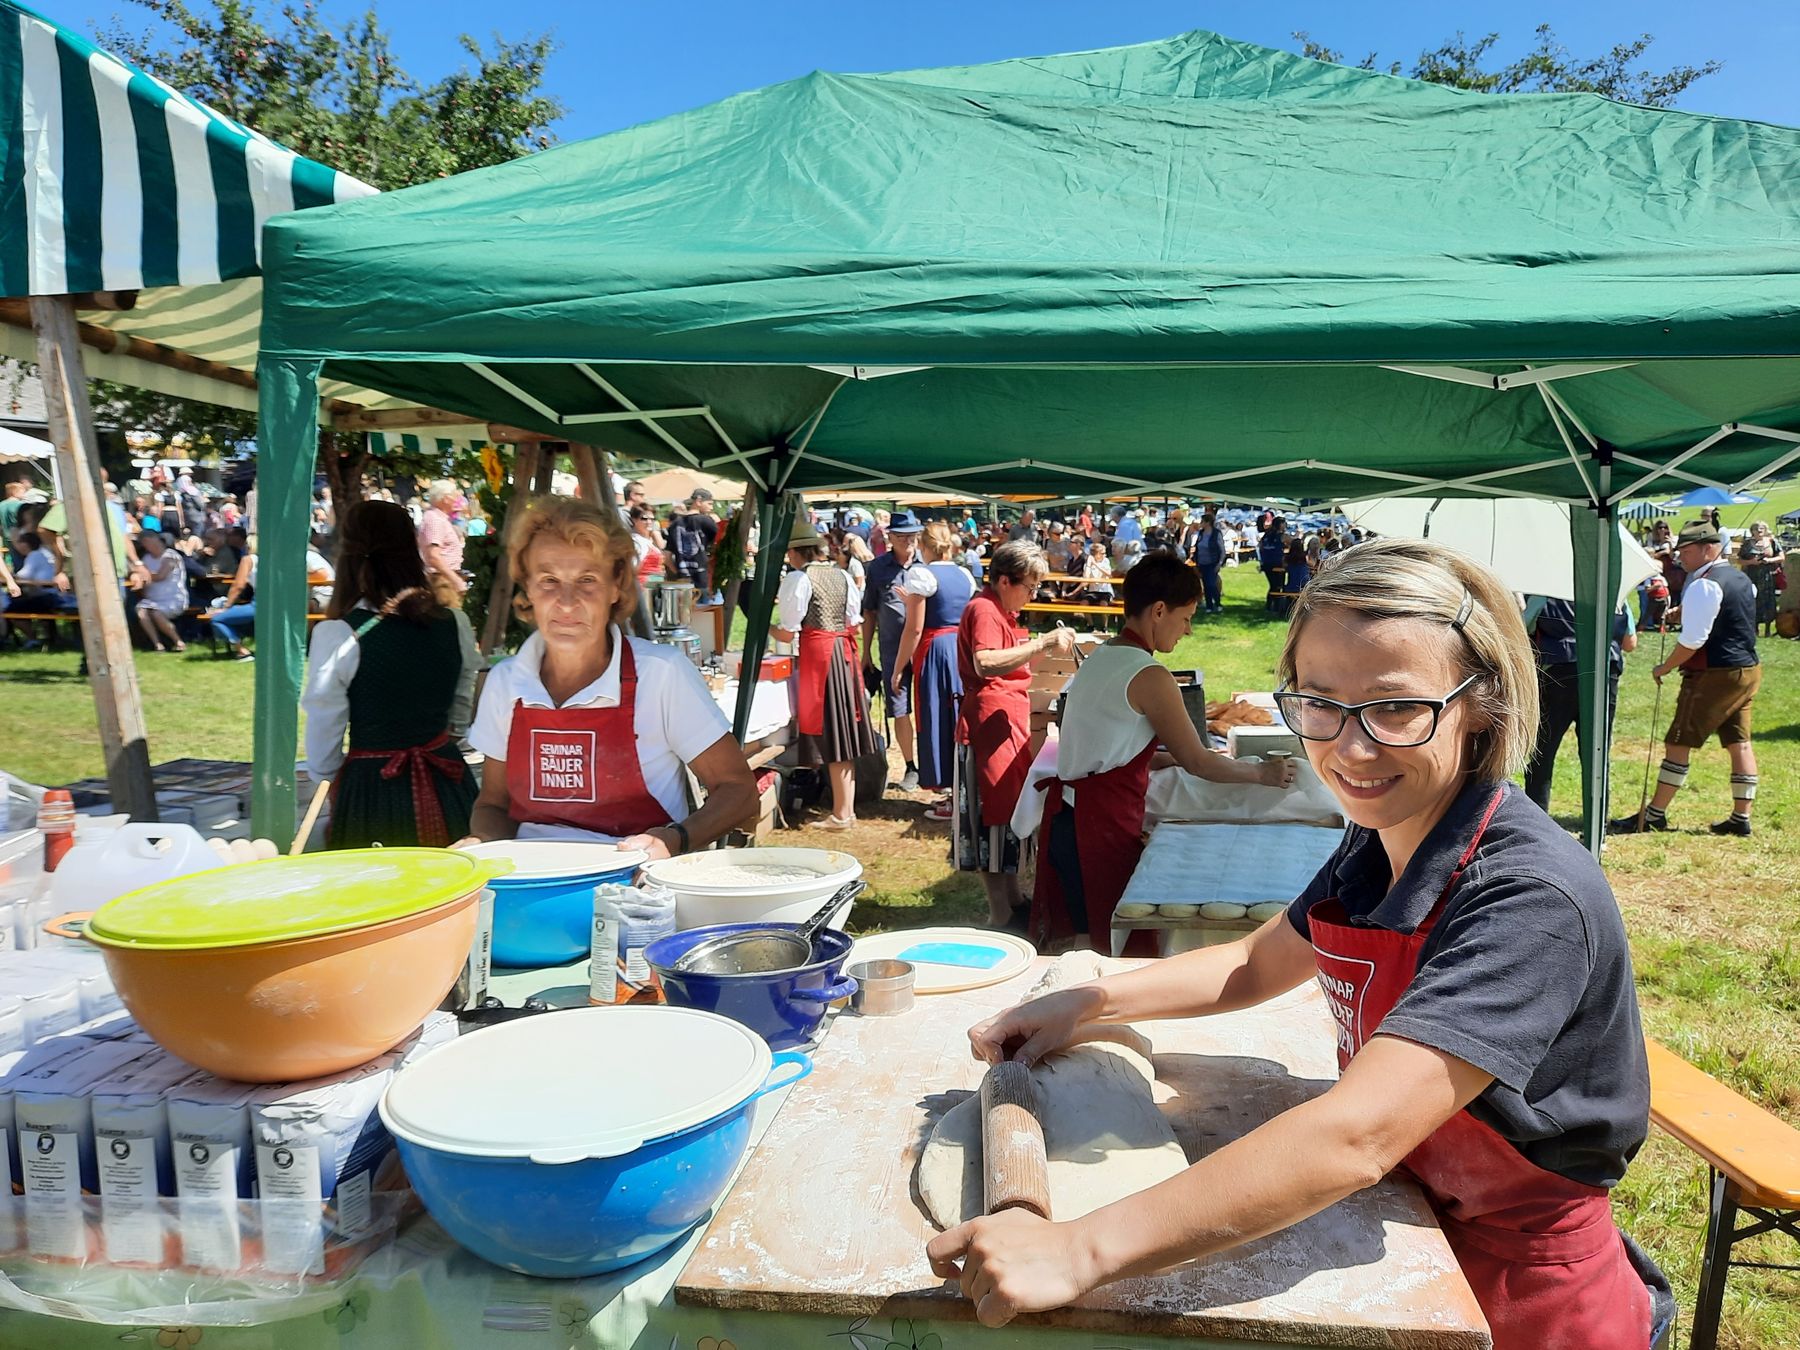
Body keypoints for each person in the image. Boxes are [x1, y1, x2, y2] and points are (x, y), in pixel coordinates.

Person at [930, 538, 1670, 1350]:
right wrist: (1091, 1001)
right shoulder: (1384, 840)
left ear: (1481, 703)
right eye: (1319, 703)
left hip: (1528, 1292)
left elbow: (1357, 1134)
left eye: (1396, 708)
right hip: (1420, 1218)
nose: (1350, 750)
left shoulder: (1526, 896)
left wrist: (1078, 1247)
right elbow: (1257, 962)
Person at [463, 495, 758, 853]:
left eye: (587, 580)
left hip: (636, 888)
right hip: (532, 886)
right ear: (528, 587)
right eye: (548, 580)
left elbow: (739, 792)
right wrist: (482, 845)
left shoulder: (660, 675)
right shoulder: (505, 682)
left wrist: (674, 839)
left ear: (616, 587)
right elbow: (493, 805)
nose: (567, 602)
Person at [1032, 554, 1295, 951]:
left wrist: (1158, 758)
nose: (1188, 630)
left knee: (1088, 943)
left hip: (1071, 819)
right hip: (1096, 828)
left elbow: (1106, 750)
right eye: (1186, 617)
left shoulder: (1102, 656)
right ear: (1159, 611)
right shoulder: (1148, 674)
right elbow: (1199, 761)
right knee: (1110, 950)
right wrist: (1263, 775)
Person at [304, 501, 481, 848]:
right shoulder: (453, 623)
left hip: (374, 790)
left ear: (349, 552)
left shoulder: (340, 635)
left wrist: (329, 780)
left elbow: (324, 729)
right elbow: (461, 705)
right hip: (447, 776)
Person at [1610, 520, 1762, 838]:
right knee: (1740, 743)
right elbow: (1728, 615)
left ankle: (1654, 815)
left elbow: (1693, 641)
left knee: (1677, 742)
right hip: (1747, 670)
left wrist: (1663, 667)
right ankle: (1741, 816)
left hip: (1714, 673)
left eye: (1688, 552)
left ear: (1709, 549)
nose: (1682, 558)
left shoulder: (1705, 584)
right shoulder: (1741, 580)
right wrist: (1685, 610)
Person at [955, 541, 1073, 927]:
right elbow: (985, 661)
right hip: (987, 727)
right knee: (993, 818)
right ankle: (1000, 912)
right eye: (1030, 586)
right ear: (1005, 580)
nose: (1032, 594)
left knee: (1006, 815)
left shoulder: (1000, 610)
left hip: (1002, 722)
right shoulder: (984, 609)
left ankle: (1014, 898)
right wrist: (1041, 643)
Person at [774, 517, 881, 829]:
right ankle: (843, 808)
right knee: (839, 729)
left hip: (821, 656)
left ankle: (842, 811)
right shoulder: (843, 576)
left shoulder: (798, 578)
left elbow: (788, 630)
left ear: (795, 553)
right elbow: (853, 621)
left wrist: (762, 627)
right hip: (841, 653)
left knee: (830, 729)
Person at [892, 521, 976, 821]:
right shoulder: (964, 574)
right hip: (960, 648)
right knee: (958, 717)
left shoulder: (921, 574)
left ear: (925, 546)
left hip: (935, 650)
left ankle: (949, 792)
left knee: (937, 717)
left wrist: (899, 666)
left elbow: (914, 629)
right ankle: (962, 791)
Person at [1521, 596, 1635, 814]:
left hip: (1559, 671)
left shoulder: (1546, 588)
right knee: (1597, 752)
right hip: (1604, 672)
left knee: (1543, 751)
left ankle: (1536, 814)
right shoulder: (1613, 588)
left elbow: (1523, 624)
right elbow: (1630, 643)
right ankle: (1597, 823)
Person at [862, 510, 929, 792]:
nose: (908, 541)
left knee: (928, 708)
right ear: (890, 537)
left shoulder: (928, 566)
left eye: (912, 536)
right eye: (901, 536)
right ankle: (911, 766)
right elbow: (870, 612)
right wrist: (865, 653)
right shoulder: (877, 569)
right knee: (900, 710)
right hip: (891, 651)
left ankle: (932, 765)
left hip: (925, 651)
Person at [132, 530, 189, 652]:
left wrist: (143, 575)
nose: (145, 547)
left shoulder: (170, 556)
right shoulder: (147, 558)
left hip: (172, 599)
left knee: (156, 613)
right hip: (152, 599)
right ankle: (157, 644)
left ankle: (178, 641)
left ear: (153, 540)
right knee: (141, 612)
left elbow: (160, 576)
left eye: (145, 543)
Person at [417, 479, 468, 600]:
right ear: (445, 498)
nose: (458, 500)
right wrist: (455, 580)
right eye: (455, 496)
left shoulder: (438, 518)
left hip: (443, 578)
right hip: (441, 581)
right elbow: (433, 556)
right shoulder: (435, 520)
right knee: (447, 616)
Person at [669, 489, 720, 600]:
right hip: (702, 578)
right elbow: (720, 540)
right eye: (709, 503)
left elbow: (666, 557)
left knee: (685, 613)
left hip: (682, 579)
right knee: (704, 613)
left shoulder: (674, 525)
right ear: (698, 501)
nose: (711, 507)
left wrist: (678, 572)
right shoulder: (707, 521)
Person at [1737, 520, 1781, 636]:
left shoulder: (1772, 542)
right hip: (1752, 576)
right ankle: (1754, 628)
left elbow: (1781, 557)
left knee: (1769, 601)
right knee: (1753, 600)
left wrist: (1770, 560)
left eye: (1762, 528)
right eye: (1756, 528)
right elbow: (1739, 560)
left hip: (1768, 576)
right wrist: (1751, 561)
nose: (1759, 530)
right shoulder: (1747, 544)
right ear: (1752, 531)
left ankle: (1767, 629)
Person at [1187, 511, 1224, 613]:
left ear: (1207, 522)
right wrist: (1193, 558)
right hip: (1202, 563)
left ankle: (1217, 603)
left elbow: (1221, 549)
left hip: (1213, 563)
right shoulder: (1201, 533)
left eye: (1202, 521)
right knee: (1206, 585)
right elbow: (1197, 547)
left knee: (1211, 584)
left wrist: (1220, 563)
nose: (1200, 523)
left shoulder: (1216, 533)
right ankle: (1209, 606)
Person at [628, 505, 665, 585]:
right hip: (643, 587)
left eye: (652, 519)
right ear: (634, 520)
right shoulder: (635, 541)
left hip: (655, 585)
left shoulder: (650, 540)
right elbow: (631, 569)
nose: (649, 522)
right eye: (644, 519)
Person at [1259, 515, 1288, 611]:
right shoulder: (1281, 536)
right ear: (1280, 525)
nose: (1285, 526)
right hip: (1277, 563)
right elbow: (1295, 543)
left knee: (1273, 585)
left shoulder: (1266, 535)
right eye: (1284, 524)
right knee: (1278, 585)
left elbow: (1261, 548)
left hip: (1267, 564)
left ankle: (1271, 605)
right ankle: (1275, 606)